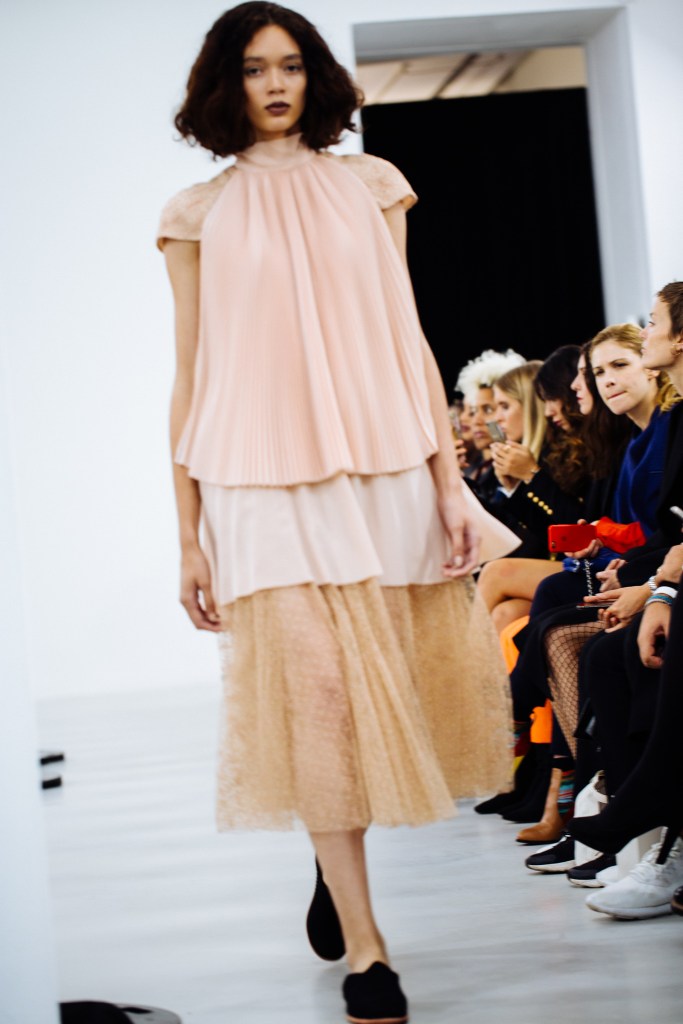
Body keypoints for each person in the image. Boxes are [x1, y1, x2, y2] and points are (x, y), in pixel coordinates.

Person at [157, 5, 515, 1021]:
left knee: (377, 692)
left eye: (289, 66)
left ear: (314, 77)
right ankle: (367, 949)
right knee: (316, 694)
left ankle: (331, 853)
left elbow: (408, 338)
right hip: (255, 478)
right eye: (253, 68)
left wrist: (447, 484)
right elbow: (189, 375)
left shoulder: (370, 185)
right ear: (223, 84)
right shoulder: (196, 211)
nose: (274, 85)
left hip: (379, 463)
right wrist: (186, 534)